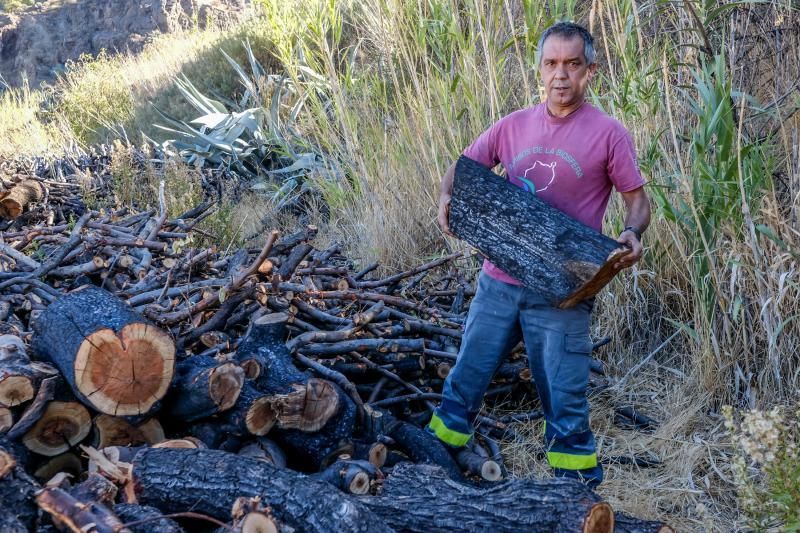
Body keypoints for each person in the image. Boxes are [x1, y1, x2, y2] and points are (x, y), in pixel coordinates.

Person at [428, 21, 651, 487]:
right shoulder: (512, 125)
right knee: (465, 379)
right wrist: (448, 197)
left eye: (572, 64)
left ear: (591, 71)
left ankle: (575, 497)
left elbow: (637, 202)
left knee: (565, 399)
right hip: (497, 283)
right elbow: (463, 168)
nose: (560, 75)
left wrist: (631, 233)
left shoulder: (608, 134)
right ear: (540, 69)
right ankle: (433, 468)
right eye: (551, 63)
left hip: (564, 293)